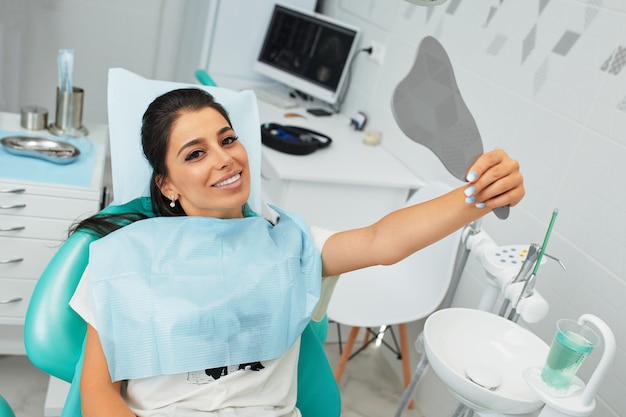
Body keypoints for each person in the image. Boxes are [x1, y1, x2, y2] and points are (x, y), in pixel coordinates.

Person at [69, 88, 524, 417]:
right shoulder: (123, 259)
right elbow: (98, 394)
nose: (224, 159)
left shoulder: (291, 244)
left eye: (228, 140)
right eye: (195, 154)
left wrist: (479, 194)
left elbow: (382, 242)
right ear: (166, 183)